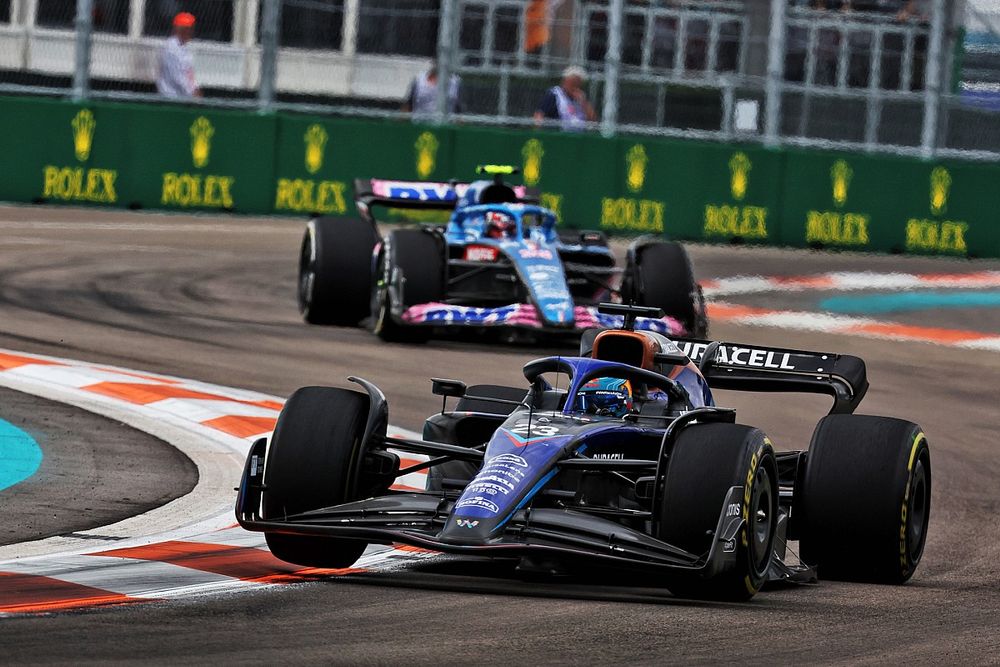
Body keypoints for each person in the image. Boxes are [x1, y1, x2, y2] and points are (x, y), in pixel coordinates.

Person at [533, 66, 596, 131]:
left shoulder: (581, 97)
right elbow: (539, 115)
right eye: (573, 83)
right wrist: (537, 133)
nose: (576, 86)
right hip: (559, 135)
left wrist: (584, 103)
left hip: (579, 136)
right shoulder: (554, 94)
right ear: (565, 81)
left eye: (578, 83)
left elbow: (592, 120)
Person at [157, 12, 200, 99]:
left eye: (191, 28)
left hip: (184, 97)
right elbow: (178, 77)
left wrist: (195, 88)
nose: (191, 31)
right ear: (179, 29)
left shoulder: (184, 48)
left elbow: (189, 72)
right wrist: (193, 93)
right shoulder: (171, 48)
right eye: (187, 28)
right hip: (171, 97)